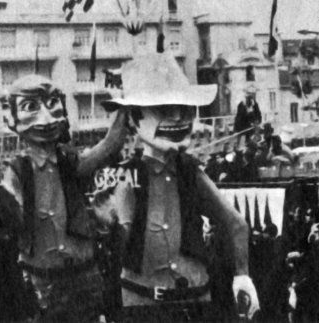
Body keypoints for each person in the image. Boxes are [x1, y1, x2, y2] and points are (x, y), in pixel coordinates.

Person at [99, 53, 258, 322]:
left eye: (184, 109)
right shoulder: (129, 176)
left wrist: (242, 275)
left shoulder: (190, 172)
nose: (177, 118)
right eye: (163, 110)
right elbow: (114, 240)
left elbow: (236, 224)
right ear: (135, 118)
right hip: (146, 302)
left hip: (184, 300)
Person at [0, 75, 129, 322]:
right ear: (11, 118)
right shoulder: (16, 171)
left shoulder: (71, 162)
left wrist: (125, 106)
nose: (46, 119)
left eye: (52, 104)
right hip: (40, 279)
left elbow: (109, 145)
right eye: (30, 107)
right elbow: (10, 212)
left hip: (84, 273)